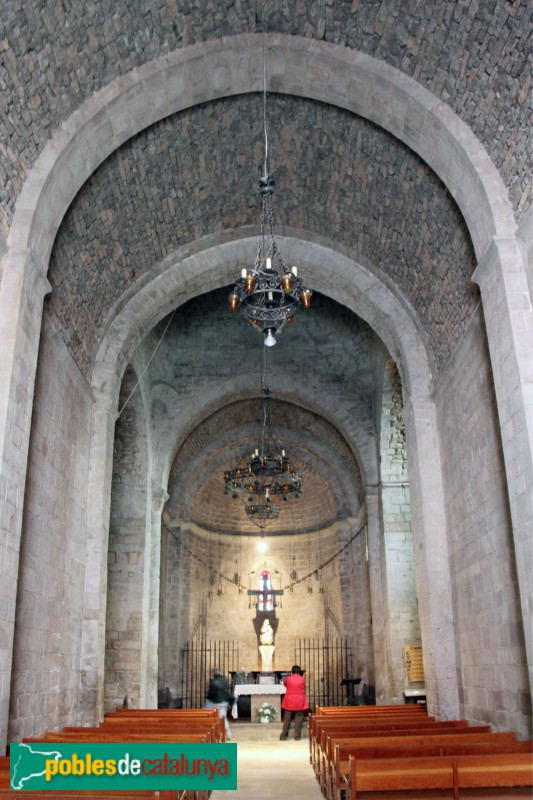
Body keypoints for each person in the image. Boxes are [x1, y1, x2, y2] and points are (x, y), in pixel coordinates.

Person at [279, 665, 309, 741]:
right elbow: (304, 687)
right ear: (299, 671)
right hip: (299, 700)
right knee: (298, 719)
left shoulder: (288, 678)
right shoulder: (302, 679)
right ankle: (297, 736)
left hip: (289, 701)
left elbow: (285, 685)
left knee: (287, 719)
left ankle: (283, 736)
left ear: (292, 671)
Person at [205, 668, 233, 739]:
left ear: (213, 674)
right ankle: (228, 735)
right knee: (223, 718)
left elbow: (211, 694)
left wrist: (208, 699)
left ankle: (205, 732)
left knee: (204, 715)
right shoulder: (224, 680)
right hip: (224, 702)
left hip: (215, 702)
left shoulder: (213, 682)